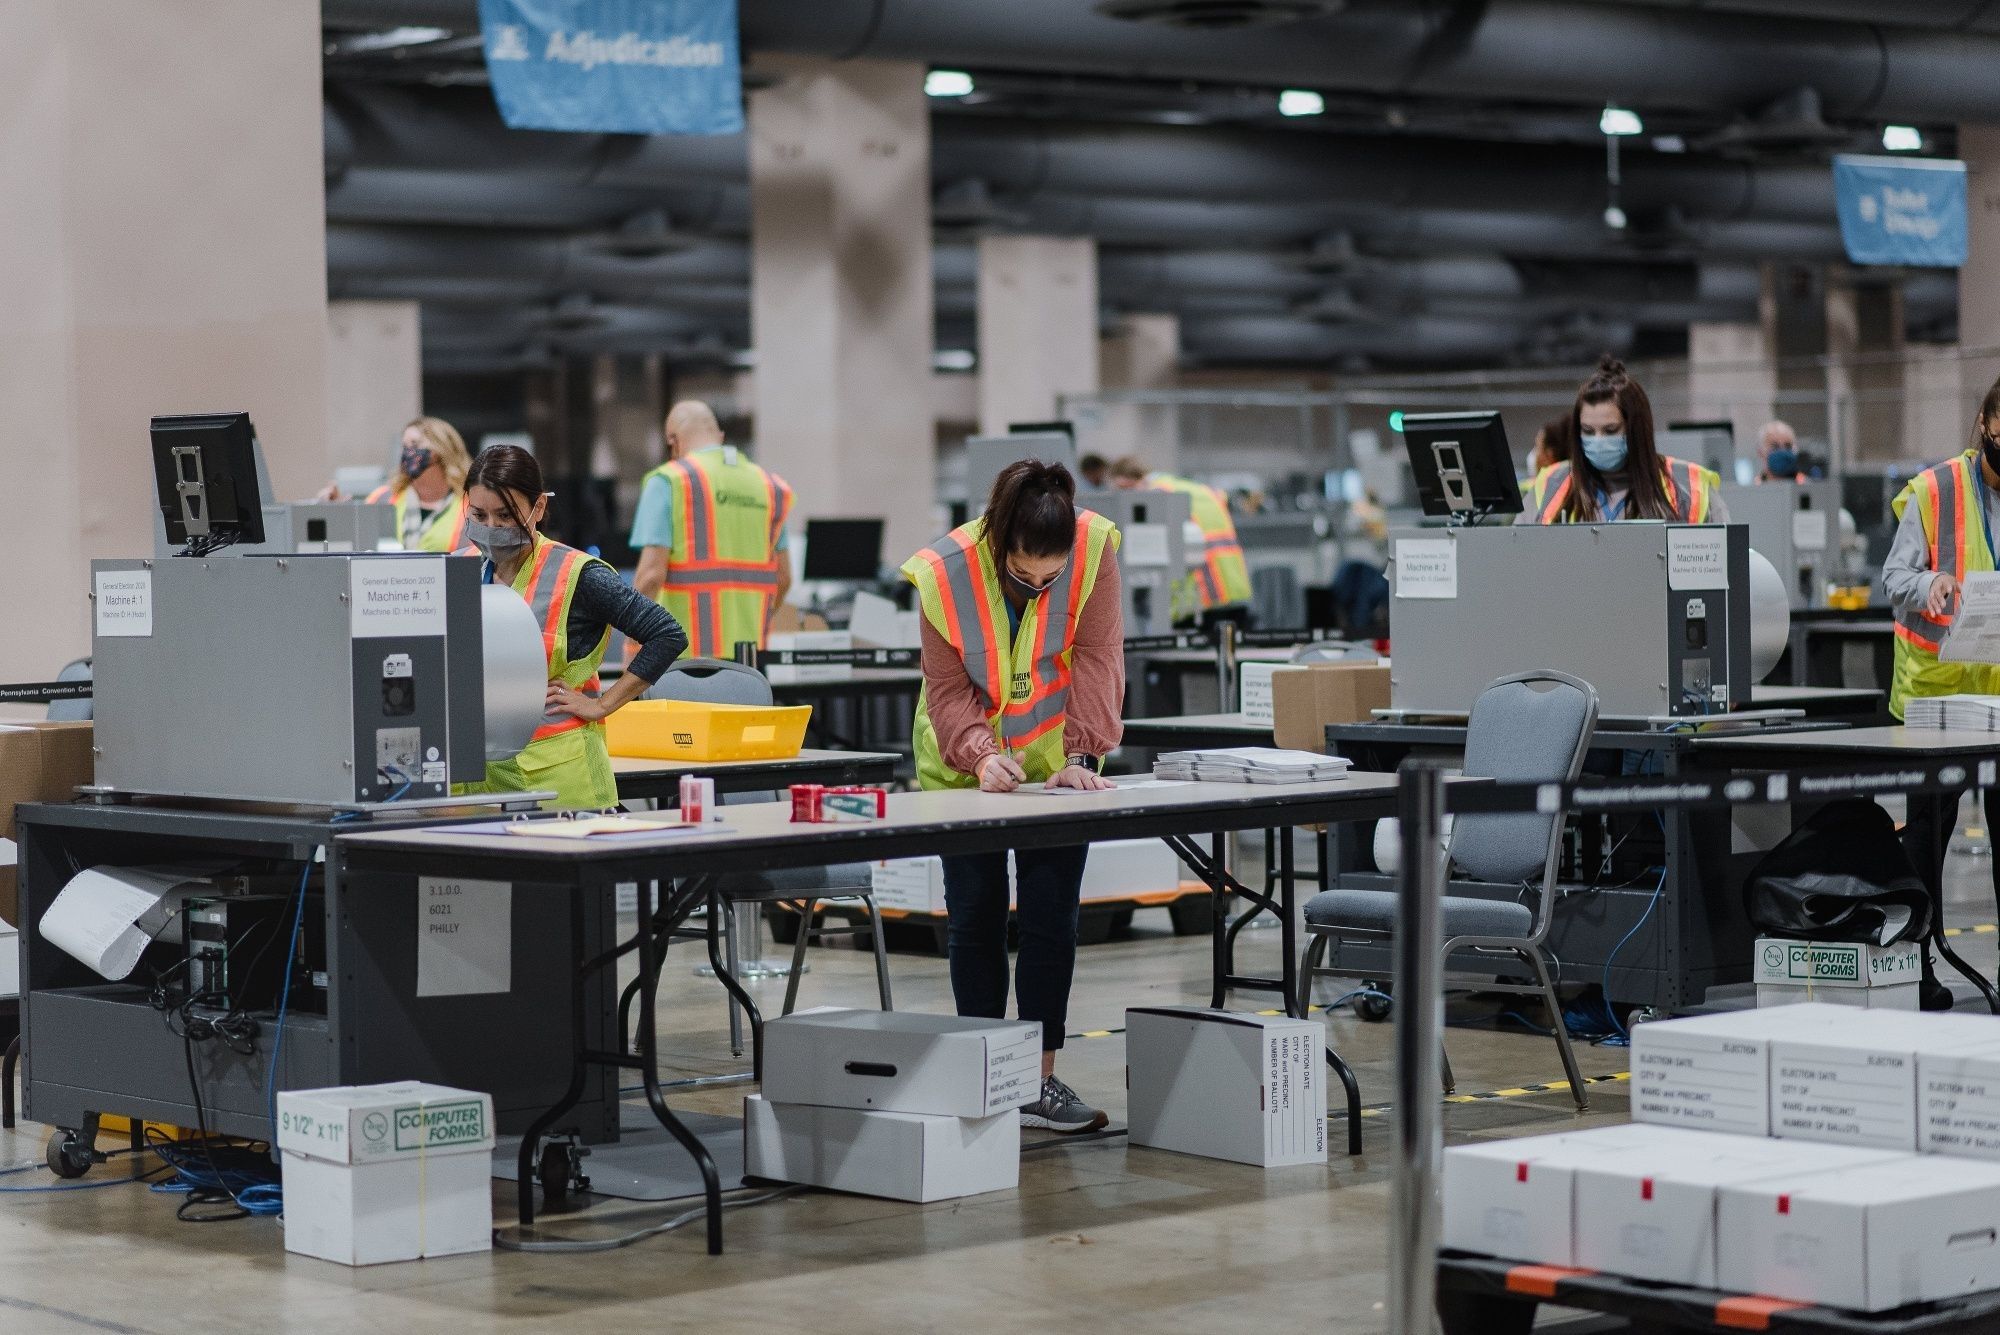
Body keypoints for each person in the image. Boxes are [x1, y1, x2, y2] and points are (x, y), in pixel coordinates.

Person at [903, 460, 1125, 1134]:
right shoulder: (943, 573)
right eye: (1024, 574)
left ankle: (1037, 1081)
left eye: (1049, 575)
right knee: (976, 916)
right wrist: (978, 753)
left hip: (1054, 764)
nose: (1039, 585)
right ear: (999, 543)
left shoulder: (1094, 550)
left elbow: (1098, 656)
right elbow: (946, 688)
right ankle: (982, 1075)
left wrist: (1082, 755)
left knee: (1051, 920)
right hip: (960, 765)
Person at [458, 445, 687, 810]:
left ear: (539, 508)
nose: (491, 529)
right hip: (478, 784)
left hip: (559, 784)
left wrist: (602, 705)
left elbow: (667, 634)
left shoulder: (578, 575)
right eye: (479, 515)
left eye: (505, 515)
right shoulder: (461, 570)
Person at [1882, 376, 2000, 1007]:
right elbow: (1891, 576)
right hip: (1938, 695)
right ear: (1985, 423)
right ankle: (1918, 963)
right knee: (1928, 833)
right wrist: (1929, 584)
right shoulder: (1936, 490)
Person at [630, 400, 794, 659]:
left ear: (673, 442)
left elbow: (650, 576)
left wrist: (633, 647)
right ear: (720, 437)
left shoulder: (670, 481)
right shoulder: (770, 487)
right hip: (750, 659)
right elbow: (783, 578)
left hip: (682, 662)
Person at [1521, 357, 1729, 524]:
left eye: (1611, 430)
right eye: (1587, 431)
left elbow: (1724, 564)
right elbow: (1517, 557)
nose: (1598, 440)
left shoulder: (1690, 488)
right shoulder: (1551, 486)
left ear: (1636, 431)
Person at [1109, 455, 1251, 617]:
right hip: (1234, 585)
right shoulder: (1196, 489)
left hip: (1200, 596)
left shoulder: (1155, 495)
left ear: (1128, 481)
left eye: (1121, 489)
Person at [343, 417, 474, 552]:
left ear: (440, 450)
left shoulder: (469, 504)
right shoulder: (383, 497)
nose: (407, 452)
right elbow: (357, 540)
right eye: (405, 446)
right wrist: (339, 508)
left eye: (415, 444)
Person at [1519, 412, 1573, 497]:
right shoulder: (1577, 484)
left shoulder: (1529, 491)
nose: (1534, 453)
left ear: (1549, 455)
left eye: (1537, 447)